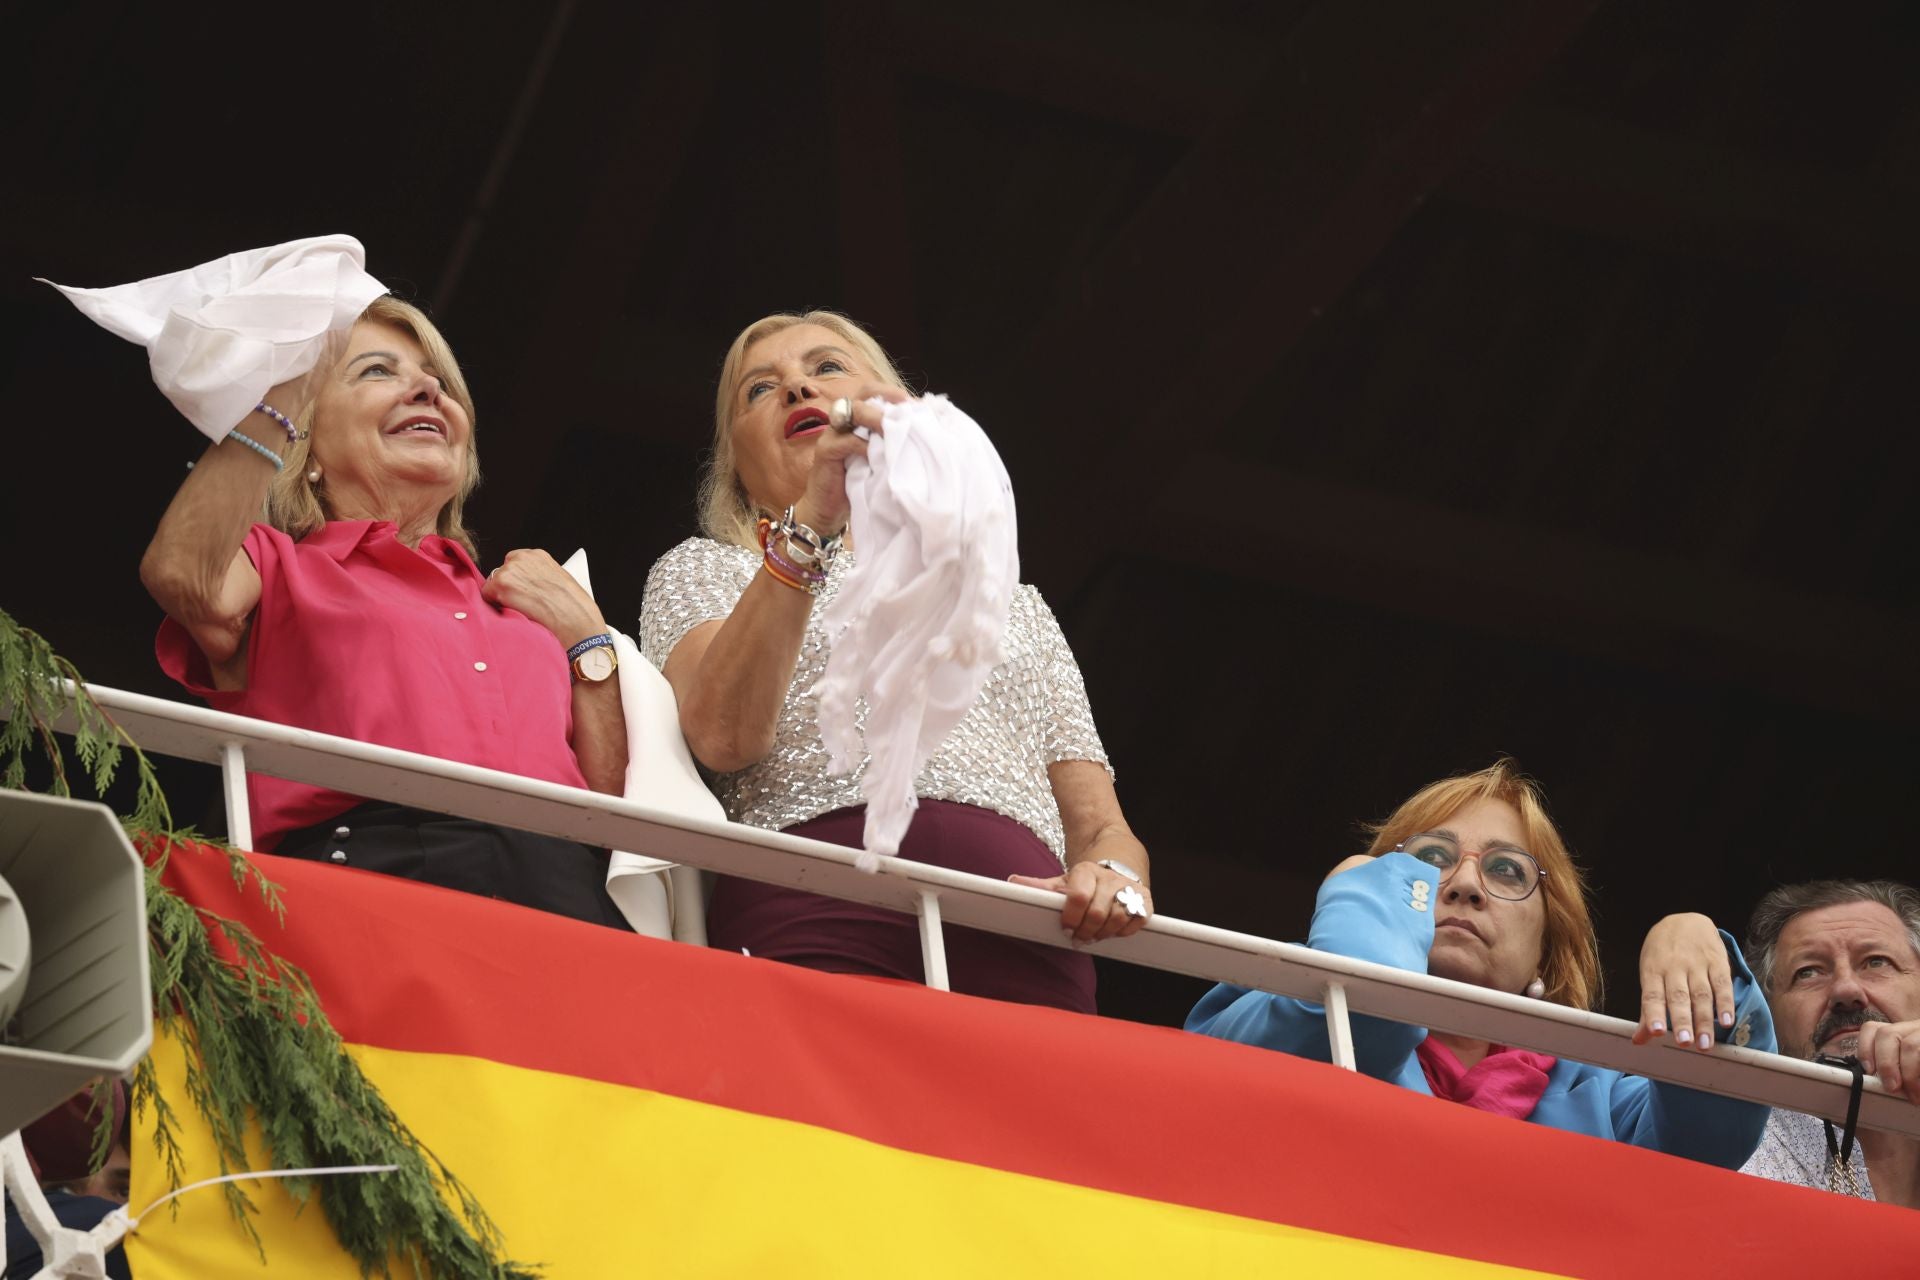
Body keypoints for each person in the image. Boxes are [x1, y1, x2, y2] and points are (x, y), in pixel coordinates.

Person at [639, 310, 1151, 1012]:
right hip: (813, 922)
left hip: (1027, 942)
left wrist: (1114, 876)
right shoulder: (704, 571)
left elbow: (1099, 826)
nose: (795, 390)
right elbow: (724, 737)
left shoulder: (1012, 601)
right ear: (736, 465)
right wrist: (813, 526)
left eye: (825, 368)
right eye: (759, 390)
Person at [141, 297, 631, 928]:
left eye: (439, 381)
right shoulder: (275, 565)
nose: (426, 387)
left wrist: (588, 637)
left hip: (566, 896)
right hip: (365, 882)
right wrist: (278, 394)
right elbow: (182, 577)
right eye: (377, 371)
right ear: (307, 442)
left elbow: (615, 811)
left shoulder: (527, 604)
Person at [1187, 760, 1773, 1166]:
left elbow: (1713, 1135)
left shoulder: (1605, 1103)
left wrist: (1694, 942)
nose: (1465, 882)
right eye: (1430, 859)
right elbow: (1363, 1021)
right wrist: (1362, 888)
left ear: (1546, 950)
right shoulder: (1261, 1008)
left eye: (1507, 870)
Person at [1740, 879, 1920, 1207]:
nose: (1846, 991)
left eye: (1876, 962)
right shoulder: (1729, 1157)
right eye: (1808, 972)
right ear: (1769, 1015)